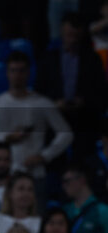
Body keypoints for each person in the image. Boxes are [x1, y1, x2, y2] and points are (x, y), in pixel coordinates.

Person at [0, 51, 73, 179]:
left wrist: (44, 156)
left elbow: (66, 134)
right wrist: (5, 138)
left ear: (29, 72)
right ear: (7, 73)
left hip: (34, 172)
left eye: (21, 70)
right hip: (2, 173)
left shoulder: (42, 103)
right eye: (13, 70)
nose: (17, 75)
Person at [36, 13, 108, 160]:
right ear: (62, 30)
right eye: (69, 33)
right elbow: (39, 90)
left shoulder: (92, 59)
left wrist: (84, 102)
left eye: (76, 34)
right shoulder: (49, 58)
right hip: (54, 120)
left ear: (81, 34)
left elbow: (101, 91)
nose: (72, 38)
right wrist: (54, 104)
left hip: (84, 121)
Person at [62, 165, 108, 233]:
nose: (64, 186)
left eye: (67, 181)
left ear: (81, 180)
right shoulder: (65, 209)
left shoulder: (102, 210)